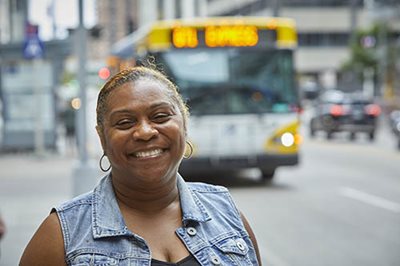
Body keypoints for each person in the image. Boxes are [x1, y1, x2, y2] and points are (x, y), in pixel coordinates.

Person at [20, 65, 261, 265]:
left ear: (184, 125)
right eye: (125, 122)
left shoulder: (226, 212)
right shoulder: (62, 235)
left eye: (160, 117)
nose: (145, 132)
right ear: (102, 138)